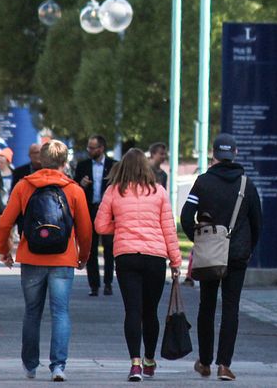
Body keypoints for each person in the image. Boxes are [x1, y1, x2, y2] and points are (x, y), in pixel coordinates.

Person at [0, 139, 92, 382]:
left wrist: (3, 251)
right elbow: (86, 230)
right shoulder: (74, 190)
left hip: (32, 256)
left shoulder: (24, 186)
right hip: (63, 258)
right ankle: (58, 366)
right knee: (60, 312)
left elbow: (5, 222)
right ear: (64, 162)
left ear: (41, 159)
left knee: (32, 311)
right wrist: (83, 256)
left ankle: (30, 365)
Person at [94, 148, 182, 381]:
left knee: (132, 310)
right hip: (155, 257)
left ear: (123, 167)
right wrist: (176, 260)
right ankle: (150, 359)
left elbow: (100, 226)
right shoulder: (159, 192)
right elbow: (168, 229)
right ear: (146, 167)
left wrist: (122, 227)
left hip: (126, 257)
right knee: (150, 311)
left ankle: (134, 363)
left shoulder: (113, 191)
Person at [180, 133, 262, 381]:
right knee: (230, 307)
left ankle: (205, 361)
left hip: (210, 253)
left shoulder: (203, 182)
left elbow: (186, 216)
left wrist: (199, 239)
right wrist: (247, 247)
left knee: (206, 305)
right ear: (235, 154)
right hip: (237, 255)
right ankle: (224, 365)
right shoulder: (247, 185)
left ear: (214, 155)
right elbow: (257, 222)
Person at [75, 135, 116, 296]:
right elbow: (75, 187)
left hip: (107, 211)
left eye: (92, 148)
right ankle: (94, 284)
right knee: (90, 247)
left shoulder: (113, 165)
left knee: (109, 248)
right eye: (88, 148)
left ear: (101, 148)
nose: (89, 150)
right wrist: (82, 185)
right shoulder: (83, 165)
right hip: (89, 209)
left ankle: (108, 283)